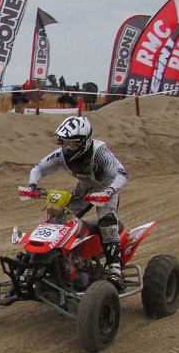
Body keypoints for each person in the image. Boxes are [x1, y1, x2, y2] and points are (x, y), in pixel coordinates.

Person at [27, 116, 129, 285]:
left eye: (72, 144)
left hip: (105, 188)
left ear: (85, 141)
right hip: (84, 188)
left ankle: (115, 270)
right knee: (60, 219)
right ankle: (58, 260)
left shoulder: (100, 153)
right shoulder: (62, 154)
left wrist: (109, 191)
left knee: (107, 223)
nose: (68, 148)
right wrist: (32, 186)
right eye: (65, 142)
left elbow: (121, 174)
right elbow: (39, 168)